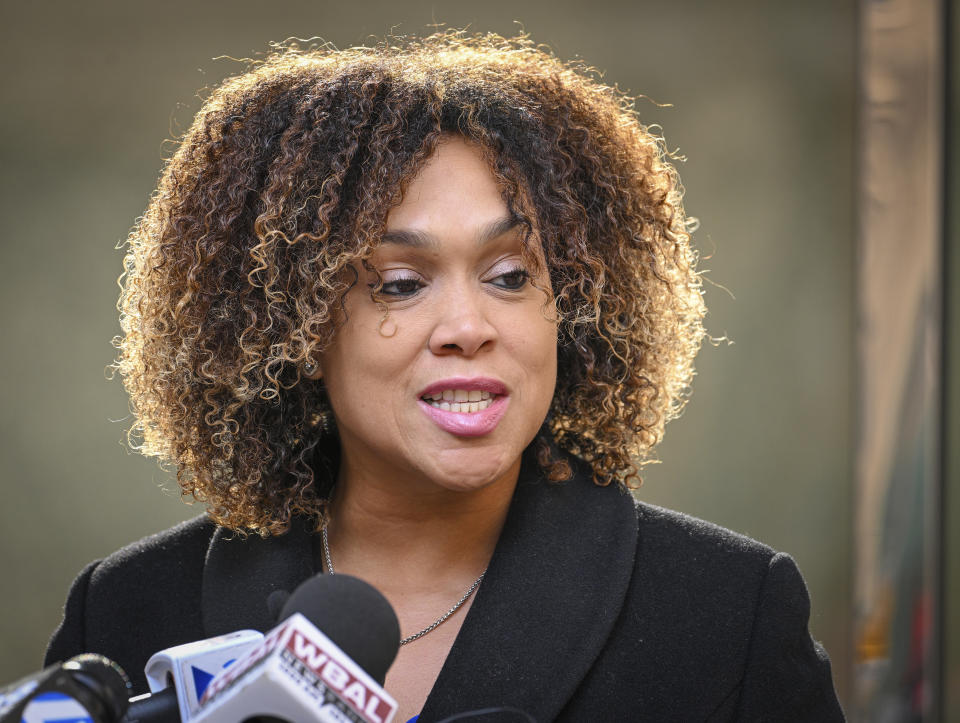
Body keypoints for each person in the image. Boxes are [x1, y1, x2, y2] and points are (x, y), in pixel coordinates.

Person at [45, 32, 844, 721]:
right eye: (399, 283)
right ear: (292, 323)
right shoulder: (127, 612)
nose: (468, 327)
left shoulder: (729, 613)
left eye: (509, 275)